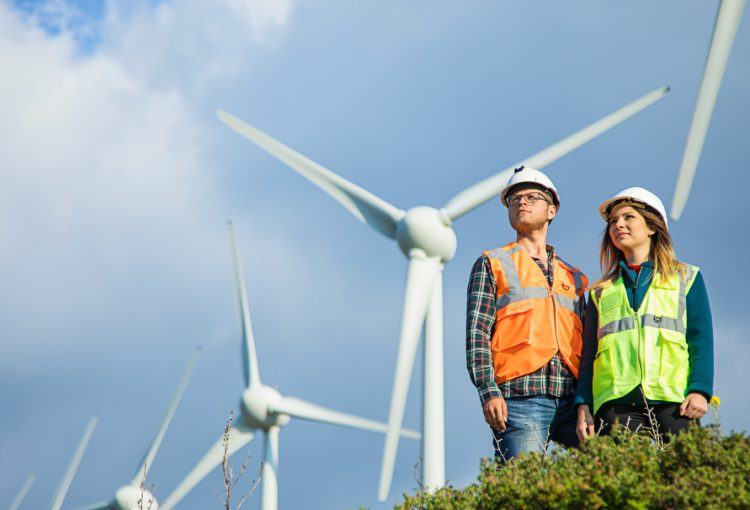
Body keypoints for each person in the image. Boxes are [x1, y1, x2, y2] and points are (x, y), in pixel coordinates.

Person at [466, 166, 588, 462]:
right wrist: (488, 391)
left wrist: (587, 402)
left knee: (612, 470)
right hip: (520, 398)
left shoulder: (575, 277)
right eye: (514, 199)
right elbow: (477, 334)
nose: (522, 202)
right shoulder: (492, 263)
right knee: (523, 487)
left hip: (572, 402)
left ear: (552, 210)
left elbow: (590, 348)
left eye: (532, 197)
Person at [575, 187, 714, 442]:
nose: (619, 225)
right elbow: (588, 356)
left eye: (628, 217)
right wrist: (583, 404)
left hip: (675, 400)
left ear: (652, 227)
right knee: (623, 479)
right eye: (613, 221)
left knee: (683, 475)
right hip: (615, 403)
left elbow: (700, 339)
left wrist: (700, 391)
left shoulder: (687, 278)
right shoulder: (599, 292)